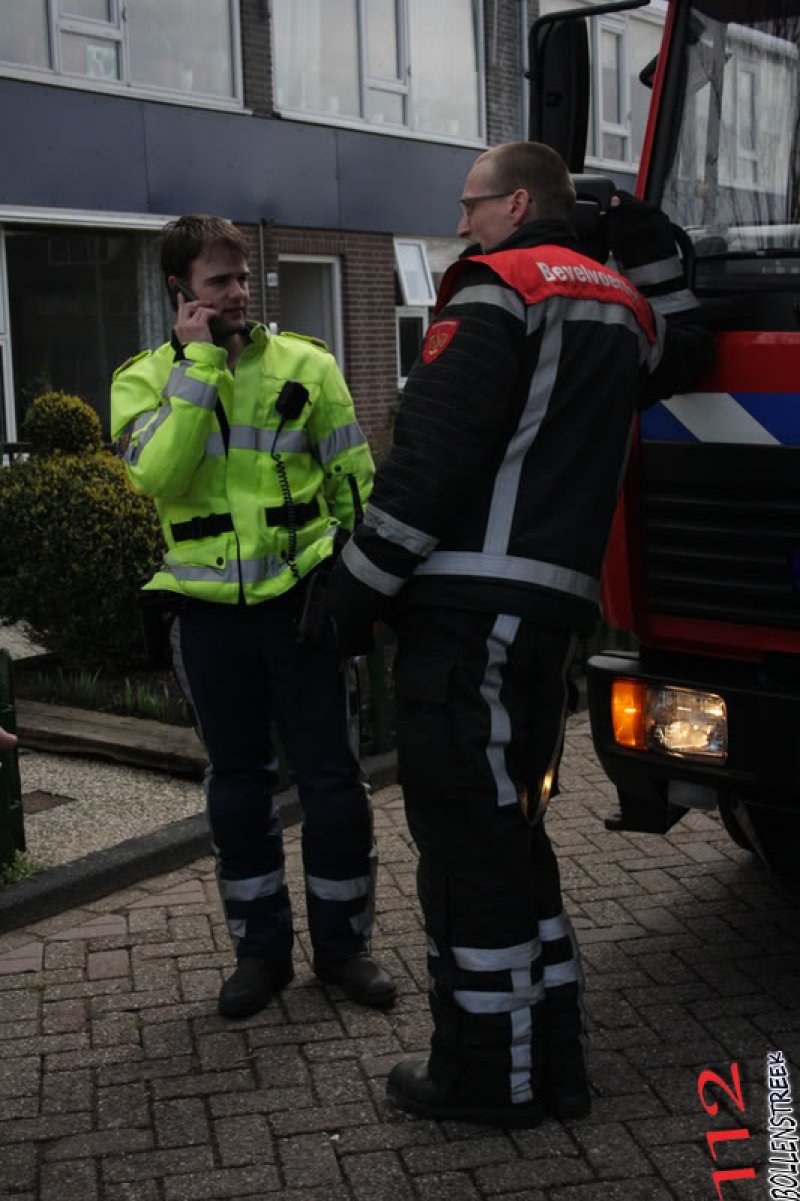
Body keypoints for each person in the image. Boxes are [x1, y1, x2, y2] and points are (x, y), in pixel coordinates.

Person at [327, 142, 714, 1127]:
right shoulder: (621, 309)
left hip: (465, 618)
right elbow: (689, 346)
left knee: (465, 851)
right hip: (550, 622)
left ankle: (482, 1081)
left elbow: (429, 463)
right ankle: (554, 1064)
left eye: (469, 204)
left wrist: (352, 592)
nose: (460, 224)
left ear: (516, 201)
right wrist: (649, 251)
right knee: (511, 840)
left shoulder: (496, 289)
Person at [111, 214, 396, 1019]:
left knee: (335, 786)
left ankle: (345, 949)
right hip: (207, 619)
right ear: (181, 293)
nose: (238, 293)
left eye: (242, 278)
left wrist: (360, 595)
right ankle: (259, 954)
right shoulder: (141, 379)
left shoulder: (308, 363)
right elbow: (156, 477)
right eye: (218, 283)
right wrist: (198, 365)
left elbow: (355, 486)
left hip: (301, 609)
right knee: (237, 789)